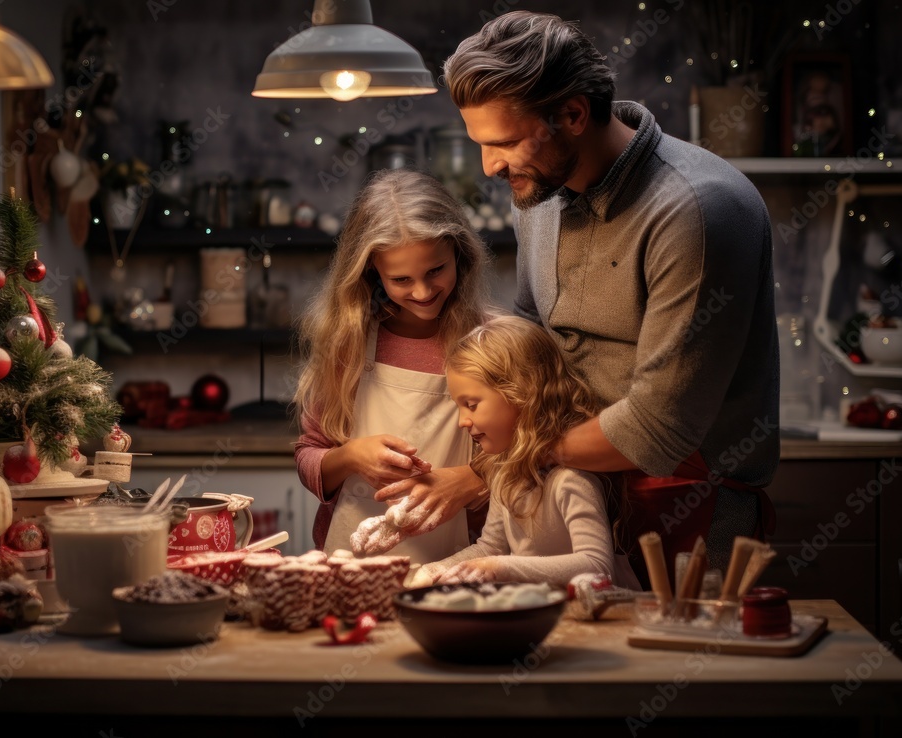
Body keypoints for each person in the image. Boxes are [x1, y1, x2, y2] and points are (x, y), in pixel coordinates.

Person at [380, 10, 779, 583]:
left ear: (572, 114)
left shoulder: (695, 211)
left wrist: (500, 467)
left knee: (685, 666)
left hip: (690, 514)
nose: (489, 166)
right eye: (481, 144)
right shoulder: (539, 192)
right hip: (570, 495)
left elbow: (658, 428)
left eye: (507, 142)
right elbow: (528, 341)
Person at [293, 167, 496, 564]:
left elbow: (531, 453)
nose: (422, 291)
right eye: (401, 279)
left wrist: (473, 480)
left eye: (436, 270)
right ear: (371, 272)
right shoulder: (348, 344)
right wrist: (351, 456)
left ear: (459, 251)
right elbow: (308, 456)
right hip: (351, 561)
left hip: (464, 560)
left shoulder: (490, 341)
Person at [412, 315, 641, 590]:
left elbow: (597, 567)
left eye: (471, 405)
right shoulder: (505, 473)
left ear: (522, 394)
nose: (462, 421)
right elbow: (489, 549)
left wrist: (501, 568)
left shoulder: (570, 479)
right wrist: (431, 573)